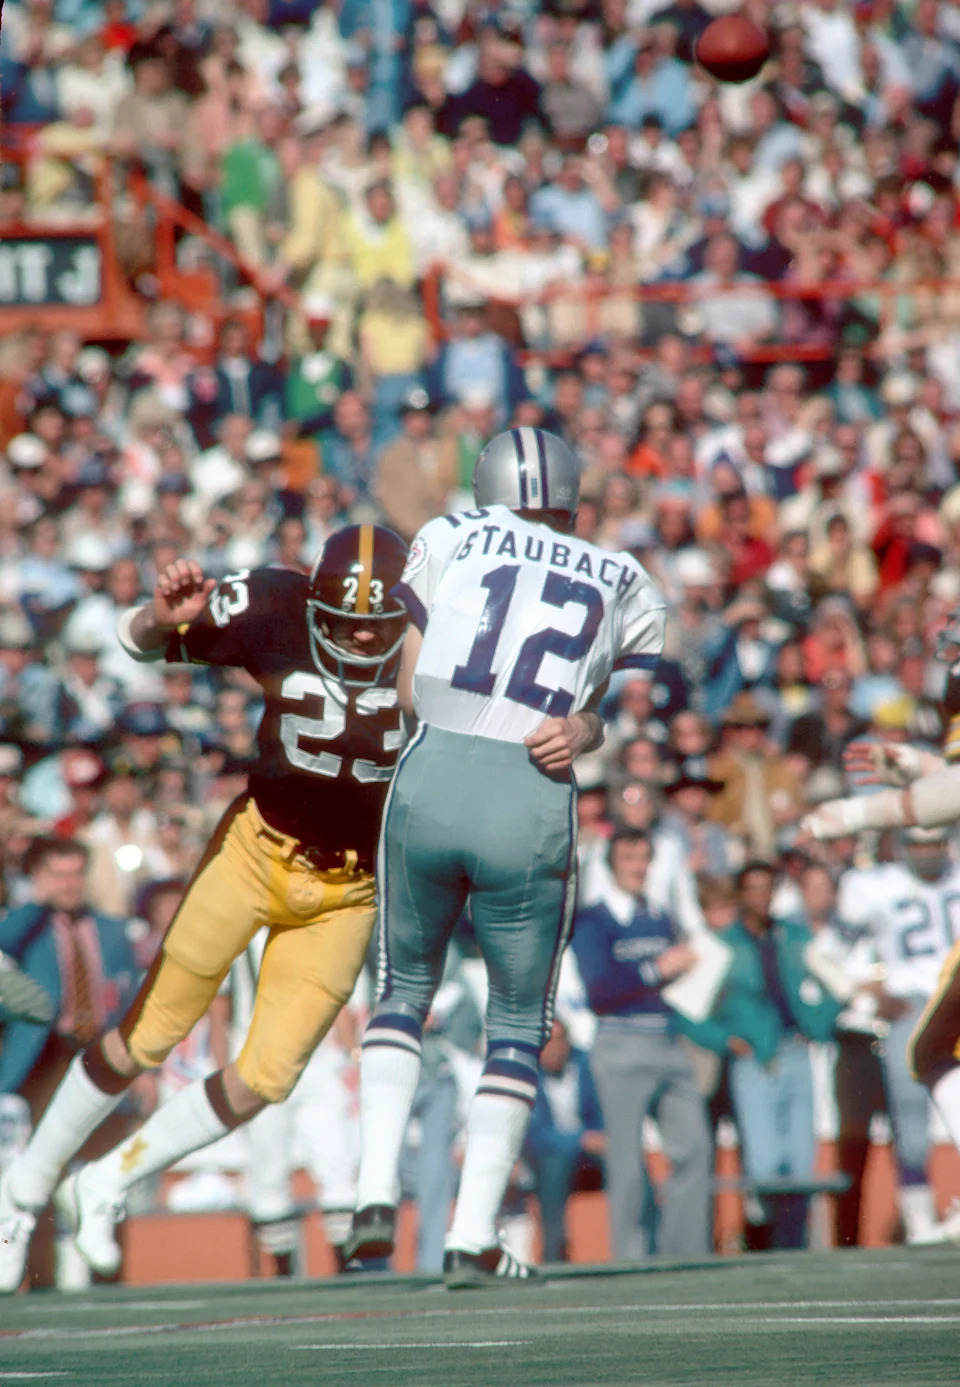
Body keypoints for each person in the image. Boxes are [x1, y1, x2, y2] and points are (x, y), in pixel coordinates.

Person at [0, 525, 409, 1292]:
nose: (359, 631)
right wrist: (161, 615)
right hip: (257, 852)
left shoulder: (429, 639)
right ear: (314, 602)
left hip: (350, 892)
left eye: (376, 618)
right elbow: (138, 640)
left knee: (267, 1077)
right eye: (345, 616)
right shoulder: (279, 603)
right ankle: (21, 1191)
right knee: (147, 1034)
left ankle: (106, 1180)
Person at [344, 426, 666, 1286]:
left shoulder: (449, 534)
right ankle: (471, 1232)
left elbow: (411, 680)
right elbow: (619, 708)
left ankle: (373, 1187)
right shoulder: (622, 572)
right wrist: (581, 729)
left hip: (433, 772)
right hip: (532, 786)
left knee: (401, 991)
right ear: (570, 495)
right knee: (517, 1027)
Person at [801, 623, 960, 1243]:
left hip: (923, 992)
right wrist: (918, 768)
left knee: (930, 1053)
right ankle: (924, 1210)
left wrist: (860, 812)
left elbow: (950, 795)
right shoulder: (879, 887)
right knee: (926, 1058)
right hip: (902, 996)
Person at [0, 837, 138, 1287]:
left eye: (76, 873)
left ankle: (103, 1274)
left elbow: (131, 998)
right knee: (39, 1165)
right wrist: (34, 903)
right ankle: (38, 1277)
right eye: (58, 874)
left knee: (101, 1167)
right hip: (45, 1059)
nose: (70, 884)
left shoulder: (111, 929)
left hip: (99, 1053)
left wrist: (143, 1068)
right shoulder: (26, 926)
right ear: (38, 878)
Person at [572, 829, 710, 1261]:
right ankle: (630, 1259)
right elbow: (599, 990)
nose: (638, 867)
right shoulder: (593, 919)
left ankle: (684, 1255)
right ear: (612, 865)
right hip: (621, 1043)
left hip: (667, 1040)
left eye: (644, 858)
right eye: (629, 858)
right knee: (628, 1163)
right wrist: (657, 968)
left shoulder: (660, 915)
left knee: (695, 1147)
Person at [523, 1017, 605, 1264]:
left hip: (591, 1155)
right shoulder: (526, 1074)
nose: (555, 1048)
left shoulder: (587, 1064)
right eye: (548, 1042)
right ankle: (554, 1253)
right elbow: (536, 1135)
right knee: (553, 1165)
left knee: (626, 1160)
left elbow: (603, 1114)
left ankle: (646, 1246)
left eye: (560, 1040)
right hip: (549, 1158)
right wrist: (579, 1140)